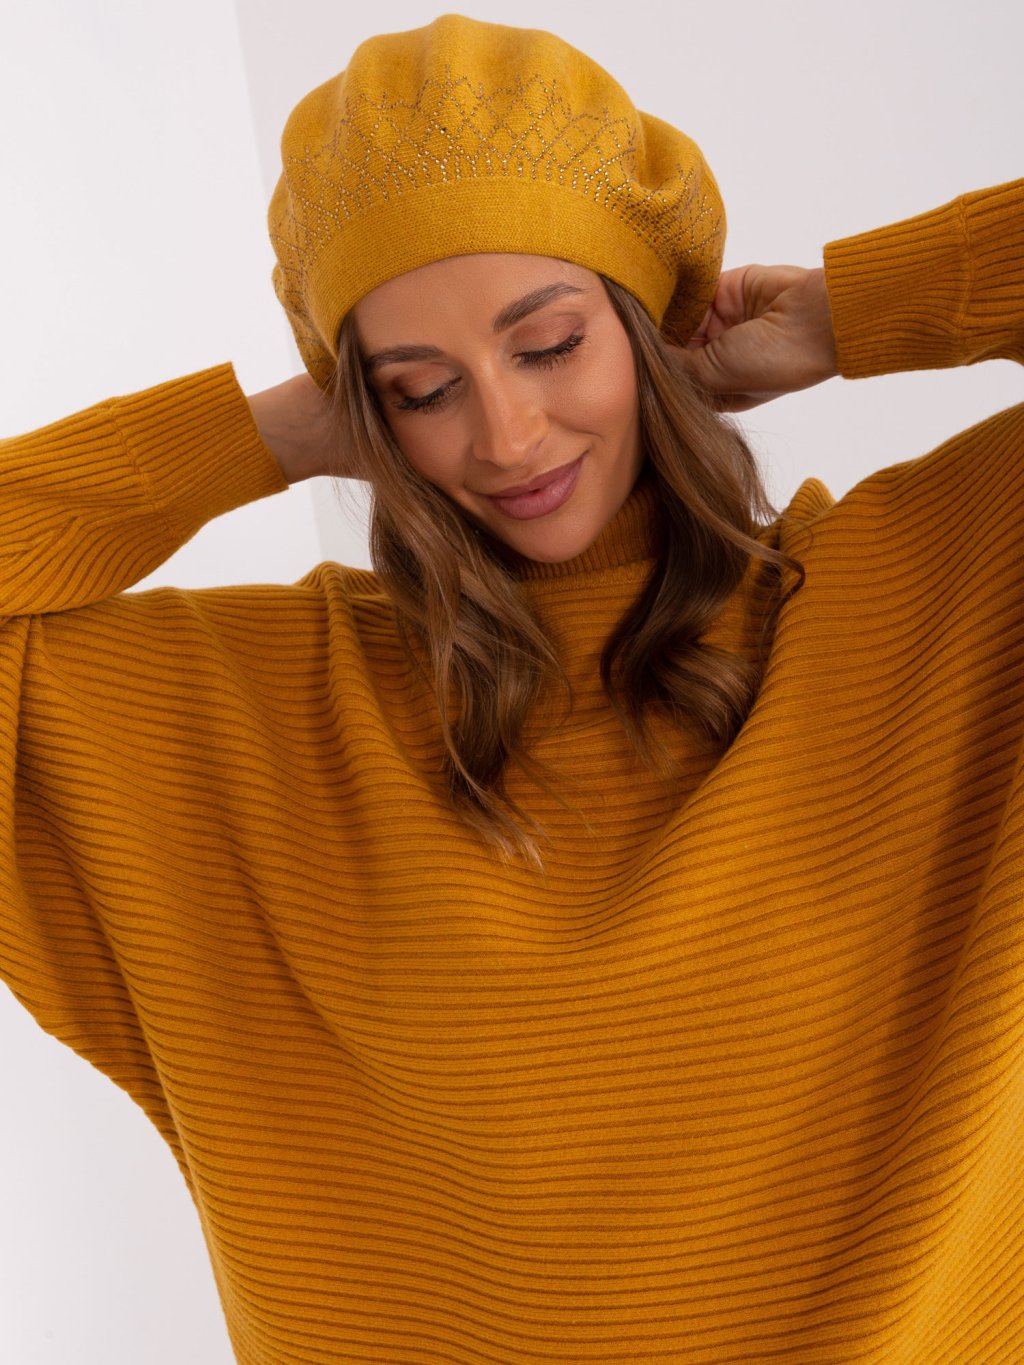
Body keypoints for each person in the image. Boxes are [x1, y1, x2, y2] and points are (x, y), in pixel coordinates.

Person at [1, 11, 1021, 1363]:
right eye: (423, 389)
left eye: (549, 345)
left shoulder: (937, 597)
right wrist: (281, 431)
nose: (508, 433)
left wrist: (849, 316)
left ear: (645, 323)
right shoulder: (255, 715)